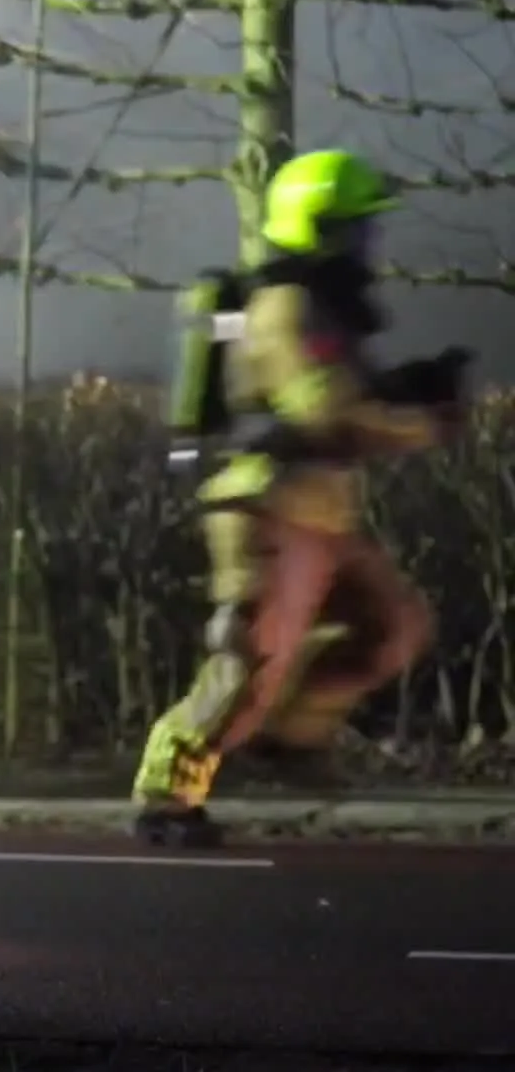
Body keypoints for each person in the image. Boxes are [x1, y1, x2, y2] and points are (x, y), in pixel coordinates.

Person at [132, 149, 461, 847]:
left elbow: (346, 401)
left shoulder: (326, 311)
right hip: (269, 506)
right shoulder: (285, 306)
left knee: (392, 628)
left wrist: (408, 389)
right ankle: (167, 797)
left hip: (320, 511)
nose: (370, 246)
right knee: (248, 660)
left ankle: (288, 738)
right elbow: (325, 411)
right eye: (357, 229)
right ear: (321, 228)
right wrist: (421, 419)